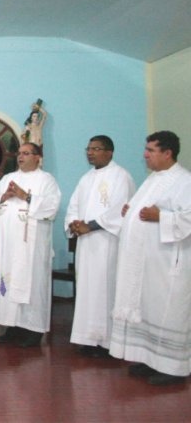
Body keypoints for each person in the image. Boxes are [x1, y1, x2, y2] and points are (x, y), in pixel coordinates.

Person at [110, 131, 191, 386]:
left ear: (168, 153)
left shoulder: (184, 180)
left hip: (168, 264)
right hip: (145, 263)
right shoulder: (153, 179)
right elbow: (142, 208)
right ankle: (148, 359)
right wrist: (130, 210)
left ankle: (173, 368)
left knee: (167, 312)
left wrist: (161, 217)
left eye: (151, 150)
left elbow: (187, 218)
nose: (145, 154)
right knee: (146, 309)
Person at [65, 135, 134, 358]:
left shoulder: (120, 176)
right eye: (89, 148)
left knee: (106, 290)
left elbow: (120, 210)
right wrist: (74, 224)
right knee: (88, 290)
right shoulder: (86, 178)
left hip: (107, 242)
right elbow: (74, 205)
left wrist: (91, 226)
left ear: (110, 152)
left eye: (96, 149)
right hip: (86, 245)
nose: (90, 152)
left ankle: (107, 342)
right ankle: (88, 338)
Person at [0, 142, 61, 348]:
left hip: (31, 246)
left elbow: (51, 207)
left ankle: (33, 329)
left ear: (38, 158)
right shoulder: (8, 179)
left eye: (26, 153)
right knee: (7, 282)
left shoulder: (46, 180)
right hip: (8, 244)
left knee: (32, 282)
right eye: (19, 153)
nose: (21, 157)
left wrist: (25, 196)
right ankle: (11, 326)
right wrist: (4, 196)